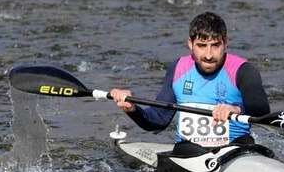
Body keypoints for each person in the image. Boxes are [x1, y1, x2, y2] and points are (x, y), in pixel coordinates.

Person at [109, 12, 270, 154]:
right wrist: (132, 109)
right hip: (187, 153)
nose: (208, 55)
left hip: (236, 151)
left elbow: (262, 112)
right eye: (201, 46)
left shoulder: (243, 70)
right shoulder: (178, 68)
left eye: (215, 45)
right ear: (190, 44)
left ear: (225, 43)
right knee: (186, 149)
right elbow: (158, 120)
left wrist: (236, 109)